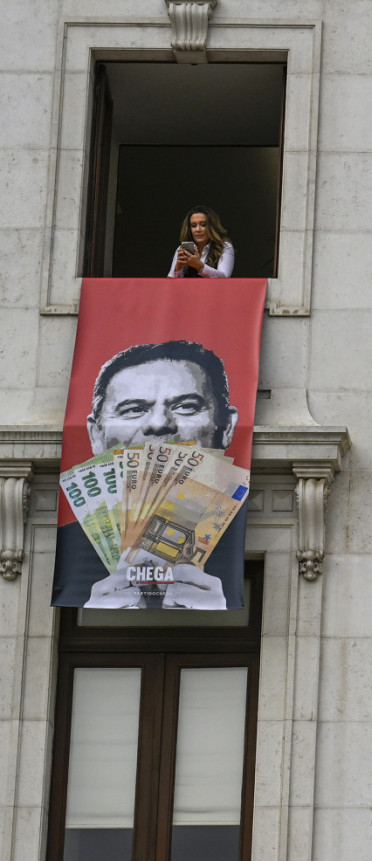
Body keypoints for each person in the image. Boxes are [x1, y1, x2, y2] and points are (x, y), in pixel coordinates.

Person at [67, 341, 239, 609]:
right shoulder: (68, 543)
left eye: (186, 406)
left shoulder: (244, 534)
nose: (159, 424)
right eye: (134, 409)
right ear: (96, 435)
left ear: (226, 427)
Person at [168, 206, 235, 279]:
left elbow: (224, 277)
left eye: (203, 225)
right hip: (189, 290)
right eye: (193, 226)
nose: (198, 230)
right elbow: (171, 283)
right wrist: (178, 268)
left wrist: (199, 266)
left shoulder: (224, 247)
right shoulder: (183, 249)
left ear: (212, 227)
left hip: (213, 290)